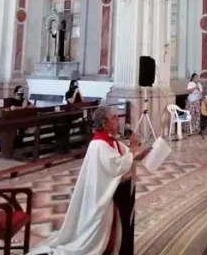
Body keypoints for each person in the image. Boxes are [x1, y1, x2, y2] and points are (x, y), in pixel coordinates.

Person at [29, 106, 150, 255]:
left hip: (114, 196)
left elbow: (123, 159)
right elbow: (119, 167)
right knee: (92, 239)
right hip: (100, 197)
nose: (118, 120)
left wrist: (139, 154)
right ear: (104, 123)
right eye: (114, 118)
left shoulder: (112, 141)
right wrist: (132, 149)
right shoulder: (98, 145)